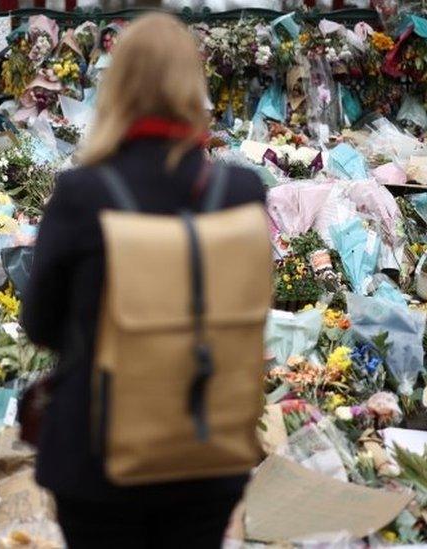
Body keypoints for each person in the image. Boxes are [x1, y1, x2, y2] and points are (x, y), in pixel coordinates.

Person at [22, 13, 266, 549]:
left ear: (118, 85)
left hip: (100, 457)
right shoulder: (241, 192)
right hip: (208, 450)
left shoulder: (83, 193)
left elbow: (40, 325)